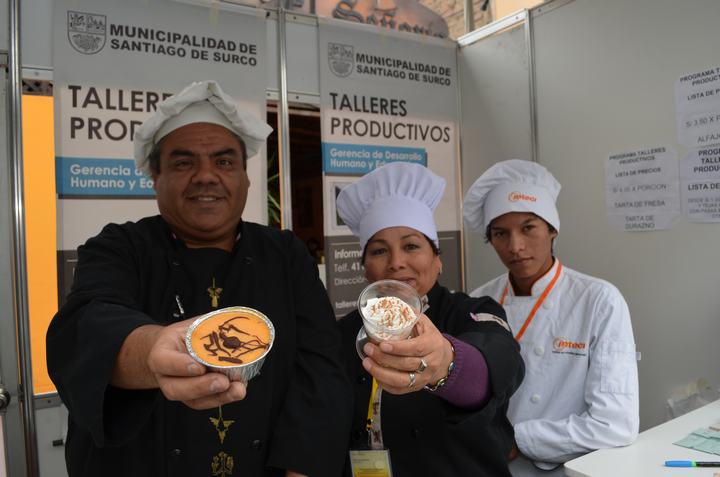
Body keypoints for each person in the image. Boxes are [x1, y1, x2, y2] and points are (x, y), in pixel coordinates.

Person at [46, 80, 352, 477]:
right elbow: (87, 323)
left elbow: (321, 370)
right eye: (183, 163)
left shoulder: (285, 254)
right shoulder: (119, 246)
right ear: (154, 176)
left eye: (224, 162)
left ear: (245, 177)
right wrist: (152, 350)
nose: (206, 176)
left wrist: (301, 470)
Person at [336, 161, 524, 476]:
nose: (396, 262)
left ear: (437, 260)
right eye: (379, 251)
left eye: (411, 246)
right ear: (365, 268)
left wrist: (447, 363)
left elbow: (502, 361)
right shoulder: (342, 333)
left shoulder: (471, 311)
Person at [463, 159, 639, 476]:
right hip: (488, 465)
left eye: (528, 228)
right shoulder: (478, 302)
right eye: (501, 233)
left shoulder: (598, 300)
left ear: (552, 229)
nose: (515, 246)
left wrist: (518, 440)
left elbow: (615, 425)